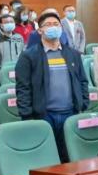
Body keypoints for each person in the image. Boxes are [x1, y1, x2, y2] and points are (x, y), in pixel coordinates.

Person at [14, 11, 90, 162]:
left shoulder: (73, 54)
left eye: (56, 24)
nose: (53, 27)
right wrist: (27, 115)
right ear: (40, 30)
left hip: (70, 113)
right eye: (48, 25)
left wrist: (83, 103)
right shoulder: (29, 56)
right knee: (47, 157)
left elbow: (82, 81)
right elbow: (23, 88)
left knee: (68, 156)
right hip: (43, 115)